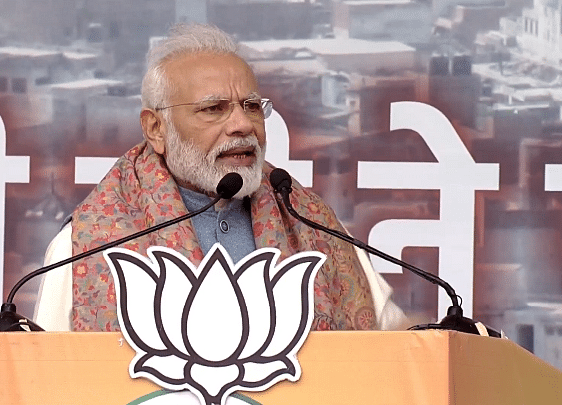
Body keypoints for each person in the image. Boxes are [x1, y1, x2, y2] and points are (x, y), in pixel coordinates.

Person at [34, 23, 407, 332]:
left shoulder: (314, 226)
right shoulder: (90, 242)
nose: (243, 125)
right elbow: (46, 374)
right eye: (214, 109)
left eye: (251, 107)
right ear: (155, 128)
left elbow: (397, 356)